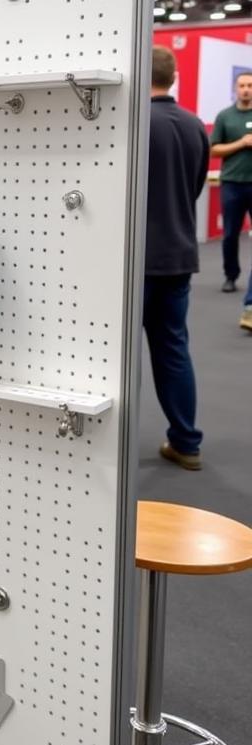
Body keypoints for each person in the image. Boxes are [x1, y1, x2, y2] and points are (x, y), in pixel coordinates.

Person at [145, 46, 210, 470]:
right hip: (179, 257)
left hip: (131, 263)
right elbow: (197, 186)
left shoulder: (131, 125)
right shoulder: (195, 126)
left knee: (111, 357)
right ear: (174, 77)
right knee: (173, 350)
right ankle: (186, 443)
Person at [209, 72, 252, 322]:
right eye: (242, 86)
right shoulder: (225, 116)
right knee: (230, 234)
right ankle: (230, 275)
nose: (246, 90)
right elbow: (214, 149)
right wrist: (242, 143)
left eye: (249, 86)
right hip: (232, 184)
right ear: (236, 88)